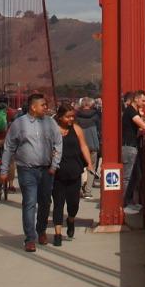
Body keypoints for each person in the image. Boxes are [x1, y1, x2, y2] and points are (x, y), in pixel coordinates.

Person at [0, 92, 62, 251]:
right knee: (29, 202)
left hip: (46, 170)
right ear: (33, 107)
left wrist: (54, 165)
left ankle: (41, 230)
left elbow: (58, 144)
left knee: (45, 202)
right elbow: (9, 147)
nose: (46, 107)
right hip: (26, 170)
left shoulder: (51, 123)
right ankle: (30, 238)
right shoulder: (19, 124)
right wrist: (4, 170)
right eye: (43, 105)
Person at [49, 101, 93, 244]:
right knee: (58, 204)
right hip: (57, 173)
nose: (71, 119)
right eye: (68, 117)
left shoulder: (77, 129)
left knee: (73, 204)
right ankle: (57, 234)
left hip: (74, 171)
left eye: (72, 116)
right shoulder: (52, 130)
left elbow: (84, 146)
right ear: (60, 117)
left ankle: (71, 219)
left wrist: (90, 164)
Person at [121, 89, 145, 214]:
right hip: (128, 147)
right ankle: (123, 204)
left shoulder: (132, 111)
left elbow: (140, 124)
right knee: (128, 177)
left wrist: (143, 119)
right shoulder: (130, 111)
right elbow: (143, 126)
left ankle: (127, 202)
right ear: (136, 99)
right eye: (143, 101)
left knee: (136, 175)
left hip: (130, 146)